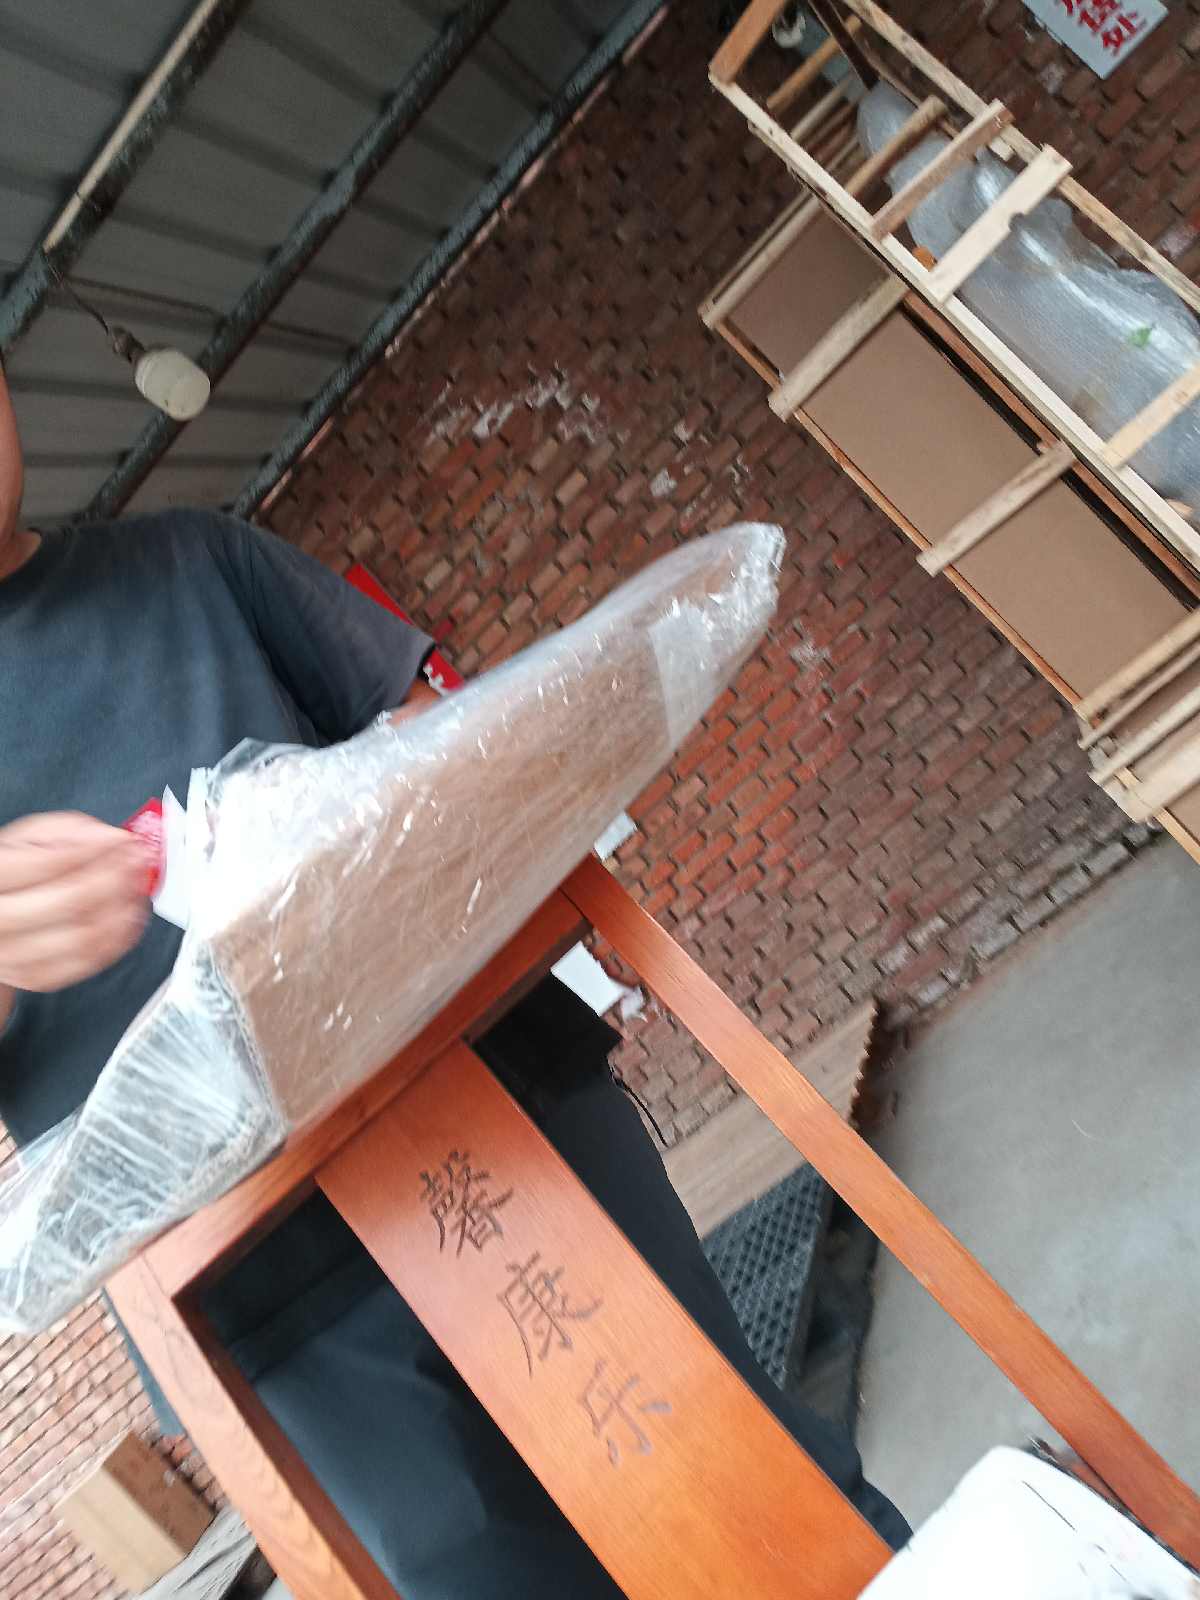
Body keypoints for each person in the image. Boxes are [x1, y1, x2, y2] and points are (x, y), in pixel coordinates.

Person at [0, 365, 908, 1593]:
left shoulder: (186, 563)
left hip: (502, 1110)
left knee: (757, 1492)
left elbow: (437, 740)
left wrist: (341, 809)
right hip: (267, 1292)